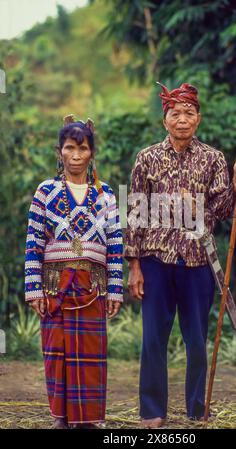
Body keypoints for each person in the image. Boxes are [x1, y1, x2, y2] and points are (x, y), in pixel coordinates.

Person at [125, 82, 236, 428]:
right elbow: (136, 215)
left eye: (188, 113)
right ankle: (152, 411)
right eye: (174, 113)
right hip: (155, 262)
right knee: (153, 339)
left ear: (198, 119)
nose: (182, 119)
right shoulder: (146, 159)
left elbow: (224, 209)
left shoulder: (212, 159)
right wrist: (134, 266)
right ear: (165, 120)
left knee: (196, 341)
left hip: (198, 263)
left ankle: (197, 408)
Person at [24, 116, 123, 429]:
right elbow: (33, 243)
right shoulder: (46, 191)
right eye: (69, 148)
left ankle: (89, 419)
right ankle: (61, 418)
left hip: (92, 286)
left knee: (90, 354)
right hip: (55, 285)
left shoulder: (106, 194)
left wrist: (116, 288)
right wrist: (33, 289)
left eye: (82, 148)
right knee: (57, 352)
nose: (76, 155)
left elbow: (116, 246)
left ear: (92, 152)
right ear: (60, 152)